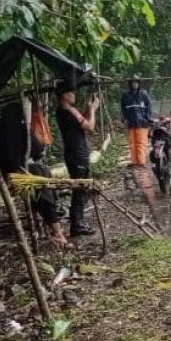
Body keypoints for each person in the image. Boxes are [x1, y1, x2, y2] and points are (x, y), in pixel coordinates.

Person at [0, 103, 66, 247]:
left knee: (41, 185)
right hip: (24, 174)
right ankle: (57, 232)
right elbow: (38, 149)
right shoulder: (22, 130)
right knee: (44, 187)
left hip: (4, 173)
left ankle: (42, 223)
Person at [56, 83, 98, 236]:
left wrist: (88, 110)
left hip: (72, 153)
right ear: (64, 96)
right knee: (80, 188)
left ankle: (78, 221)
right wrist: (93, 109)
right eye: (71, 92)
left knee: (79, 188)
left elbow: (80, 124)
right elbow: (90, 127)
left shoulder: (61, 111)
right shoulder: (69, 110)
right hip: (78, 153)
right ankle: (77, 224)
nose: (74, 94)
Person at [120, 75, 152, 167]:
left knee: (141, 143)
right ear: (130, 84)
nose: (135, 84)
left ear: (139, 83)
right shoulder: (126, 96)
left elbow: (149, 107)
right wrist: (124, 119)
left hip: (142, 123)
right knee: (132, 143)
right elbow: (122, 109)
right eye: (133, 82)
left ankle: (141, 162)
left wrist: (147, 119)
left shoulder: (144, 94)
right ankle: (134, 162)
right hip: (130, 123)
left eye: (136, 82)